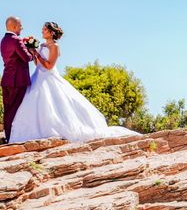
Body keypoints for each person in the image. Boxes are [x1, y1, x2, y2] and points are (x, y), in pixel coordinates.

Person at [9, 21, 139, 143]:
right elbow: (38, 64)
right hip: (38, 77)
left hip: (49, 78)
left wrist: (37, 55)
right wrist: (33, 53)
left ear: (51, 32)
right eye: (42, 29)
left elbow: (49, 66)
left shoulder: (55, 46)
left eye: (45, 29)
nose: (42, 31)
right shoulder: (42, 46)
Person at [1, 16, 35, 142]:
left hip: (6, 79)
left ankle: (8, 135)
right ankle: (12, 137)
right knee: (15, 108)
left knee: (8, 109)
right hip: (17, 81)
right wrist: (31, 52)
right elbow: (26, 58)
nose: (22, 28)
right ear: (14, 26)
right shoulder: (16, 40)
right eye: (20, 25)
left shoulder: (4, 40)